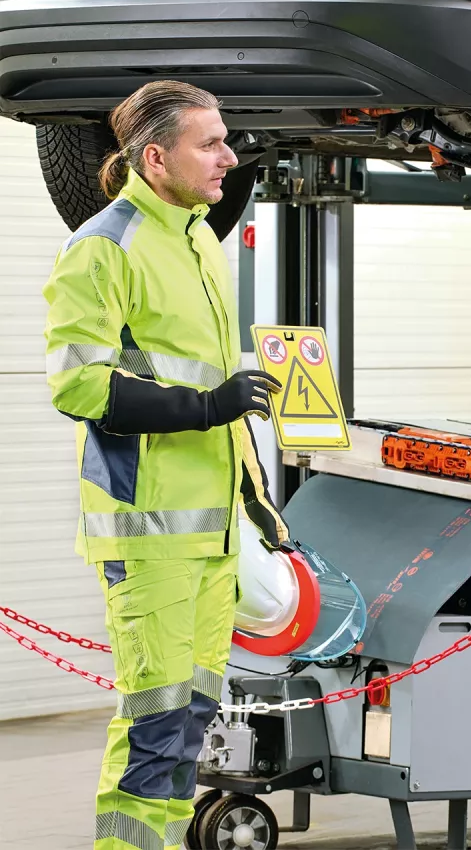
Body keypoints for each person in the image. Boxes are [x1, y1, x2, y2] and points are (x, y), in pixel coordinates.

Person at [43, 81, 289, 850]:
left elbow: (222, 396)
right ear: (156, 158)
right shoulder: (103, 246)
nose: (229, 156)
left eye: (227, 138)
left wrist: (256, 504)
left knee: (190, 730)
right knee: (154, 732)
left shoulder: (200, 242)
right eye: (209, 143)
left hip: (212, 540)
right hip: (148, 541)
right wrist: (205, 408)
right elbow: (78, 384)